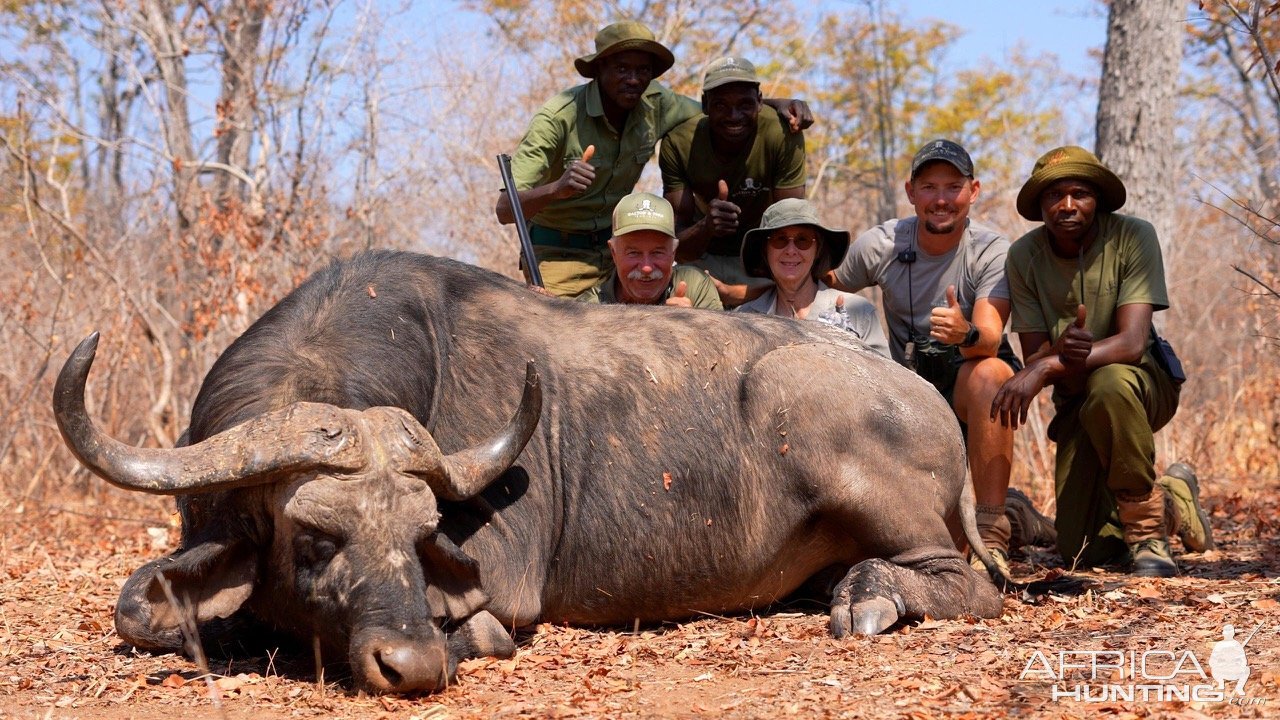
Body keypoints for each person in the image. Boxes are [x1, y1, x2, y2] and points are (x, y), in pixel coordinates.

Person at [991, 145, 1214, 578]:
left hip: (1142, 384)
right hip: (1077, 400)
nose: (1068, 205)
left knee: (1110, 382)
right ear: (1040, 205)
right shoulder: (1024, 256)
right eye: (1055, 196)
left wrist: (1047, 367)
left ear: (1098, 200)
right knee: (1085, 550)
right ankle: (1171, 500)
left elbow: (1130, 344)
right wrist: (1052, 358)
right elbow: (1035, 349)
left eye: (1080, 193)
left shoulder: (1133, 236)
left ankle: (1148, 533)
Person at [496, 21, 811, 298]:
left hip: (620, 252)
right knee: (561, 341)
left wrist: (776, 104)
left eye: (643, 70)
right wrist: (556, 189)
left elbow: (722, 109)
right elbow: (504, 209)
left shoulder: (657, 103)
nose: (634, 79)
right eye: (622, 69)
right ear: (599, 69)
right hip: (558, 254)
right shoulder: (558, 117)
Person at [827, 140, 1023, 573]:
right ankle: (1021, 515)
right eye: (929, 187)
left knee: (992, 374)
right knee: (935, 542)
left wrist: (964, 331)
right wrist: (743, 290)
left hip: (968, 387)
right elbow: (820, 282)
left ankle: (993, 535)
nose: (940, 200)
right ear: (910, 191)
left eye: (952, 187)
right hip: (906, 394)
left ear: (974, 191)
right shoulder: (881, 243)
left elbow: (989, 338)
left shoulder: (991, 250)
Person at [660, 57, 807, 307]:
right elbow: (678, 246)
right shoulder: (679, 142)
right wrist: (707, 226)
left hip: (762, 257)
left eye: (745, 104)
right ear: (705, 105)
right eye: (721, 105)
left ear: (760, 102)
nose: (734, 116)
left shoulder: (782, 133)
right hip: (702, 256)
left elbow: (792, 224)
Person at [735, 198, 888, 357]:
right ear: (765, 250)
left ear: (818, 249)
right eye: (779, 239)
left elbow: (888, 378)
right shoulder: (744, 319)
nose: (791, 250)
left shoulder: (859, 313)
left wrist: (852, 350)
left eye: (803, 240)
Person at [578, 192, 722, 309]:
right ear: (614, 253)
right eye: (634, 253)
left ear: (673, 253)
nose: (646, 267)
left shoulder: (696, 287)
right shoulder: (588, 310)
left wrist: (693, 326)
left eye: (657, 253)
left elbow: (721, 343)